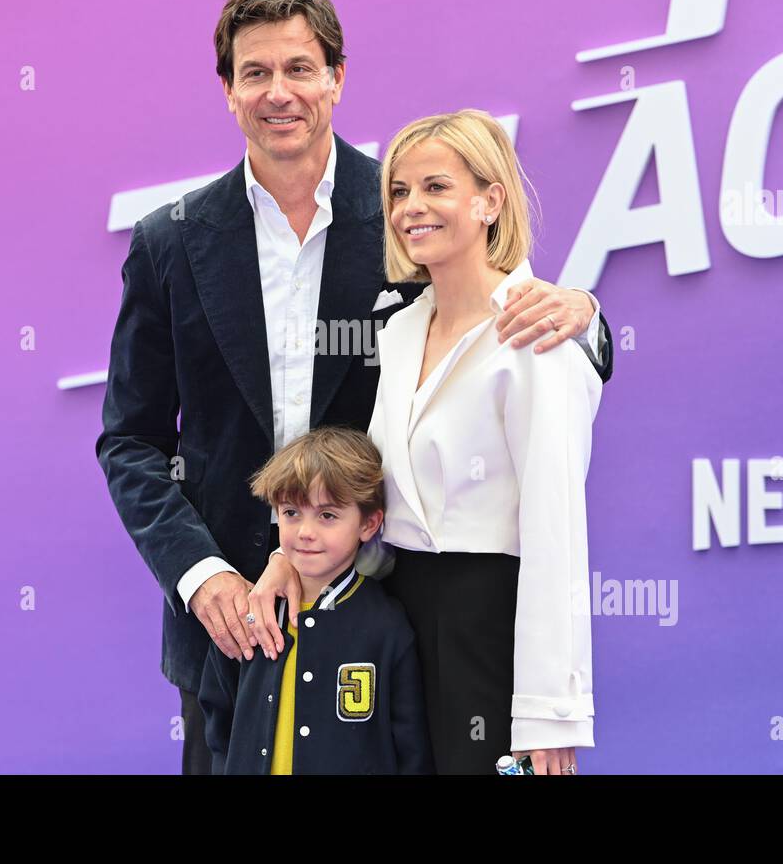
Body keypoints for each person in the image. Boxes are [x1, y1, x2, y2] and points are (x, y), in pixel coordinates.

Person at [95, 0, 613, 775]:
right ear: (227, 89)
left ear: (337, 78)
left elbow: (510, 314)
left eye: (300, 69)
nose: (279, 92)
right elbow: (130, 440)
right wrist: (203, 581)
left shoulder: (406, 215)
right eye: (255, 72)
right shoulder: (170, 242)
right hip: (231, 635)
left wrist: (585, 309)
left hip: (388, 622)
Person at [249, 109, 602, 775]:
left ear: (490, 199)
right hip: (396, 617)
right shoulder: (400, 330)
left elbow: (557, 533)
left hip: (489, 627)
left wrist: (549, 712)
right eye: (400, 192)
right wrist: (289, 559)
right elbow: (361, 488)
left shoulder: (538, 336)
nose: (412, 207)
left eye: (436, 187)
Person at [196, 426, 433, 774]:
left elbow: (410, 746)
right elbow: (218, 721)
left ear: (369, 523)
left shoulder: (386, 625)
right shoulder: (250, 615)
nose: (306, 532)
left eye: (327, 515)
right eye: (292, 512)